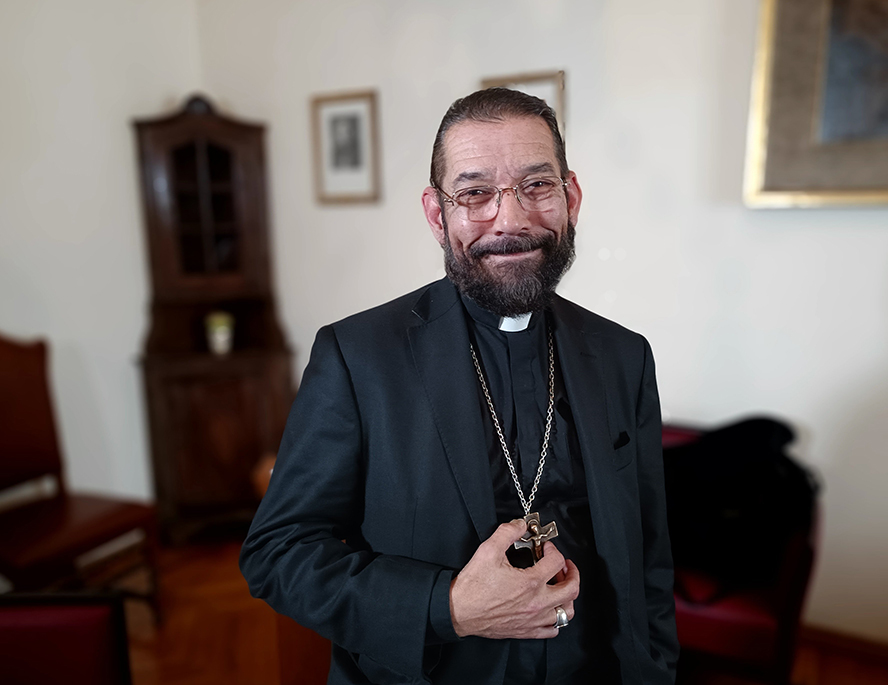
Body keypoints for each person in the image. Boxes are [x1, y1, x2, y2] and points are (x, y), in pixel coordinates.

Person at [240, 87, 678, 685]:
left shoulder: (624, 355)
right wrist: (446, 606)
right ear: (435, 213)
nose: (512, 220)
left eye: (537, 185)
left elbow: (649, 551)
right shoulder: (357, 356)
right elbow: (277, 554)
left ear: (570, 196)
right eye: (474, 193)